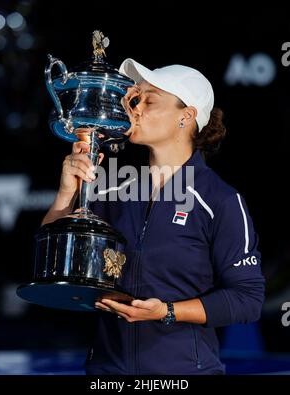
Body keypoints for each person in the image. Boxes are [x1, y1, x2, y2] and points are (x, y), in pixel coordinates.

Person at [42, 59, 265, 375]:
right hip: (107, 372)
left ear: (185, 117)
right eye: (135, 98)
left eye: (150, 100)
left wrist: (167, 312)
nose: (134, 108)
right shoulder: (110, 187)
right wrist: (67, 193)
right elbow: (52, 264)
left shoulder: (221, 200)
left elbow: (248, 298)